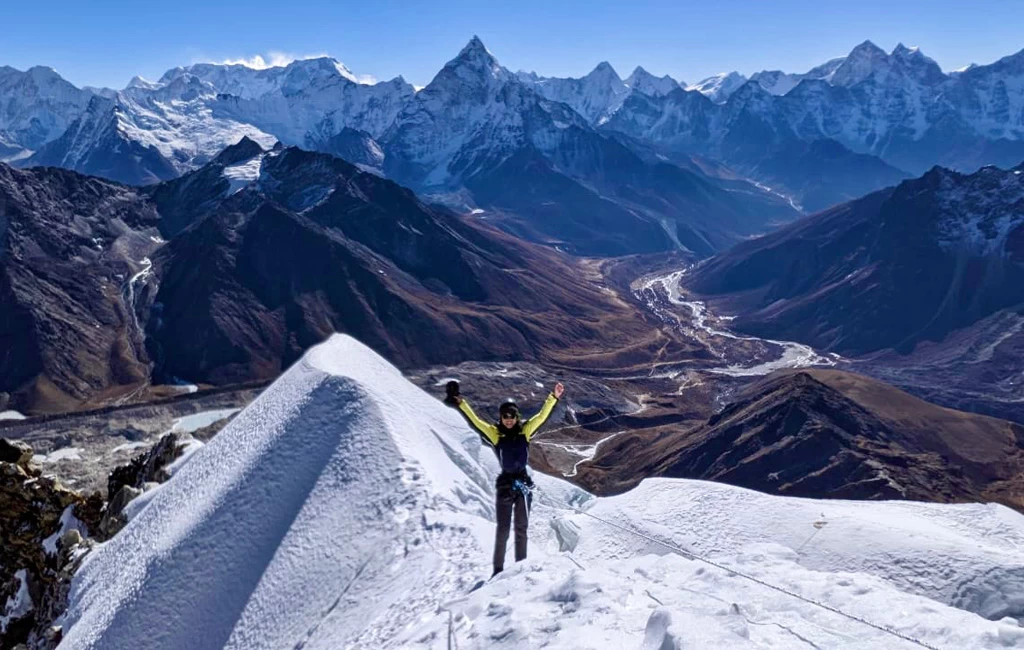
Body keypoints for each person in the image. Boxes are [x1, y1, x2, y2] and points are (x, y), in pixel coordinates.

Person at [445, 380, 565, 576]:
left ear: (517, 417)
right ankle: (498, 571)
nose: (508, 420)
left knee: (521, 528)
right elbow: (475, 421)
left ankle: (521, 568)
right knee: (503, 530)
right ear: (500, 418)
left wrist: (554, 397)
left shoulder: (525, 431)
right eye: (505, 416)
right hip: (506, 484)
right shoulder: (495, 434)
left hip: (524, 483)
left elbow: (541, 417)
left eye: (511, 416)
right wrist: (460, 402)